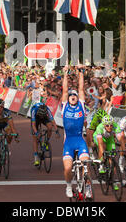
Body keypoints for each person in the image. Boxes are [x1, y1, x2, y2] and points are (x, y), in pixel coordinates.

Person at [61, 65, 91, 199]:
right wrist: (65, 74)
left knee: (86, 165)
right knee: (67, 169)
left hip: (80, 141)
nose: (73, 96)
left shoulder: (81, 105)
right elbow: (65, 90)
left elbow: (80, 88)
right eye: (71, 95)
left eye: (75, 96)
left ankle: (88, 188)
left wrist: (80, 73)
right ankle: (68, 186)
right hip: (68, 142)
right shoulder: (65, 106)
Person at [0, 99, 19, 172]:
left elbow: (12, 126)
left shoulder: (7, 112)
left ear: (3, 107)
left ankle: (7, 146)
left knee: (10, 132)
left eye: (1, 107)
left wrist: (15, 135)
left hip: (5, 125)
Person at [31, 102, 60, 166]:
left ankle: (46, 142)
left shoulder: (47, 109)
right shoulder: (34, 110)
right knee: (35, 137)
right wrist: (36, 133)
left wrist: (57, 130)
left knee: (50, 127)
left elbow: (52, 121)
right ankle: (36, 157)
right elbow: (33, 125)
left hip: (44, 117)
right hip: (36, 118)